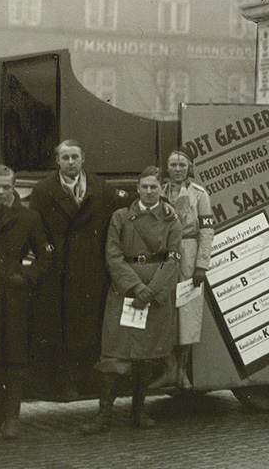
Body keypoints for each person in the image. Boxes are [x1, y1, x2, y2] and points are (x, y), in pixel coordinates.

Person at [81, 167, 182, 434]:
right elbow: (112, 256)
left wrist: (153, 290)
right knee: (113, 355)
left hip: (156, 296)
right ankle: (103, 415)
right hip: (125, 294)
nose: (149, 191)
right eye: (145, 186)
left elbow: (174, 258)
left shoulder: (171, 220)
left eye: (154, 187)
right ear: (137, 188)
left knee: (147, 357)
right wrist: (136, 287)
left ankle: (139, 411)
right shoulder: (121, 217)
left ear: (162, 188)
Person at [29, 139, 131, 399]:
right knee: (61, 329)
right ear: (57, 161)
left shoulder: (101, 187)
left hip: (91, 269)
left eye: (75, 157)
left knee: (90, 327)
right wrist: (47, 257)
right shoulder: (43, 190)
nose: (71, 162)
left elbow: (123, 214)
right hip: (59, 272)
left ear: (83, 158)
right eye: (65, 158)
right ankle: (65, 383)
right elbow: (35, 228)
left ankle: (87, 382)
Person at [0, 165, 52, 440]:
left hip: (13, 301)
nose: (2, 192)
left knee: (13, 361)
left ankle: (10, 419)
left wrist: (25, 277)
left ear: (14, 187)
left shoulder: (28, 217)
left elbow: (45, 257)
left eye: (7, 187)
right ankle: (0, 409)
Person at [162, 149, 214, 387]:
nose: (177, 169)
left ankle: (182, 371)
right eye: (173, 165)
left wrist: (201, 265)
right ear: (167, 167)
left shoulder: (199, 194)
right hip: (163, 253)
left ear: (189, 167)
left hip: (189, 251)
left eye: (182, 164)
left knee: (187, 312)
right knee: (165, 310)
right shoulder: (160, 191)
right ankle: (168, 370)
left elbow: (206, 230)